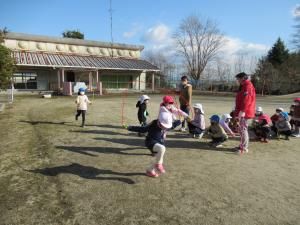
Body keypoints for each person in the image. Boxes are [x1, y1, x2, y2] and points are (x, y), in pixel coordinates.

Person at [126, 112, 173, 178]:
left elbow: (173, 125)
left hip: (159, 143)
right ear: (159, 121)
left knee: (159, 159)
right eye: (164, 125)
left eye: (166, 126)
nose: (165, 127)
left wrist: (180, 121)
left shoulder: (167, 125)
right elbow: (143, 129)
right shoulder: (154, 123)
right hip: (150, 142)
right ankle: (158, 165)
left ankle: (150, 170)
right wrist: (130, 128)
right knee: (162, 150)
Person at [234, 72, 256, 154]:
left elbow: (247, 100)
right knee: (241, 129)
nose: (237, 80)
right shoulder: (243, 86)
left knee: (243, 129)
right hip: (242, 111)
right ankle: (242, 145)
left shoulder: (248, 86)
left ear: (242, 78)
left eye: (238, 79)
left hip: (245, 111)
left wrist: (243, 111)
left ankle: (244, 147)